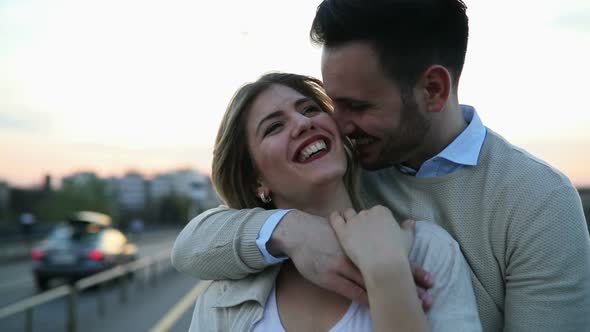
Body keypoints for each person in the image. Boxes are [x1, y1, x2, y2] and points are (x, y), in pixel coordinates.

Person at [172, 0, 590, 331]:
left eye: (357, 106)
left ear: (433, 89)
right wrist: (290, 230)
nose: (336, 123)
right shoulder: (349, 163)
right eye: (334, 103)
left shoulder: (538, 203)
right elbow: (191, 248)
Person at [182, 72, 481, 331]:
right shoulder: (222, 301)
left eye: (310, 109)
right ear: (256, 181)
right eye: (274, 126)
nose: (302, 123)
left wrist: (389, 276)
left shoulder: (427, 251)